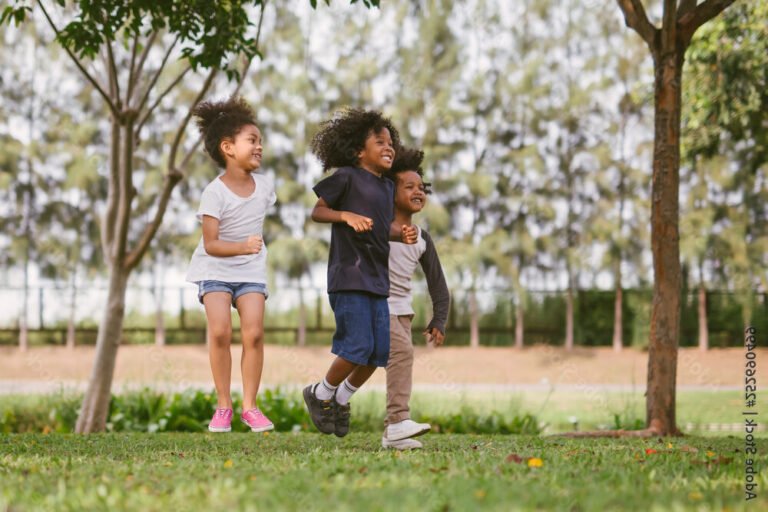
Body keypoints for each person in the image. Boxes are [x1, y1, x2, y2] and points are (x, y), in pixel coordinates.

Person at [303, 108, 417, 438]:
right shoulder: (347, 177)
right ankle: (320, 393)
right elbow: (318, 211)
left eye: (390, 142)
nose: (388, 147)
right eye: (379, 141)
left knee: (377, 352)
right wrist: (346, 216)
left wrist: (400, 233)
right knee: (357, 345)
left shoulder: (385, 188)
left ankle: (340, 397)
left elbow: (382, 228)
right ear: (358, 151)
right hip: (349, 277)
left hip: (376, 282)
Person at [186, 96, 275, 433]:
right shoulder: (214, 192)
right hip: (215, 268)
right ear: (228, 147)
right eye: (252, 140)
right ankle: (223, 405)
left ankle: (250, 407)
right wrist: (243, 246)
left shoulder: (265, 187)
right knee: (221, 332)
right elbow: (211, 244)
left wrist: (249, 252)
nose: (259, 147)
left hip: (250, 270)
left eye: (260, 141)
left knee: (253, 334)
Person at [382, 147, 450, 450]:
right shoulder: (377, 228)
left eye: (421, 188)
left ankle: (391, 434)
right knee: (403, 355)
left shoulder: (422, 238)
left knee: (388, 359)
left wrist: (439, 318)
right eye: (408, 186)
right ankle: (397, 421)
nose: (417, 192)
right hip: (376, 305)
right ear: (389, 191)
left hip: (402, 312)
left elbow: (438, 284)